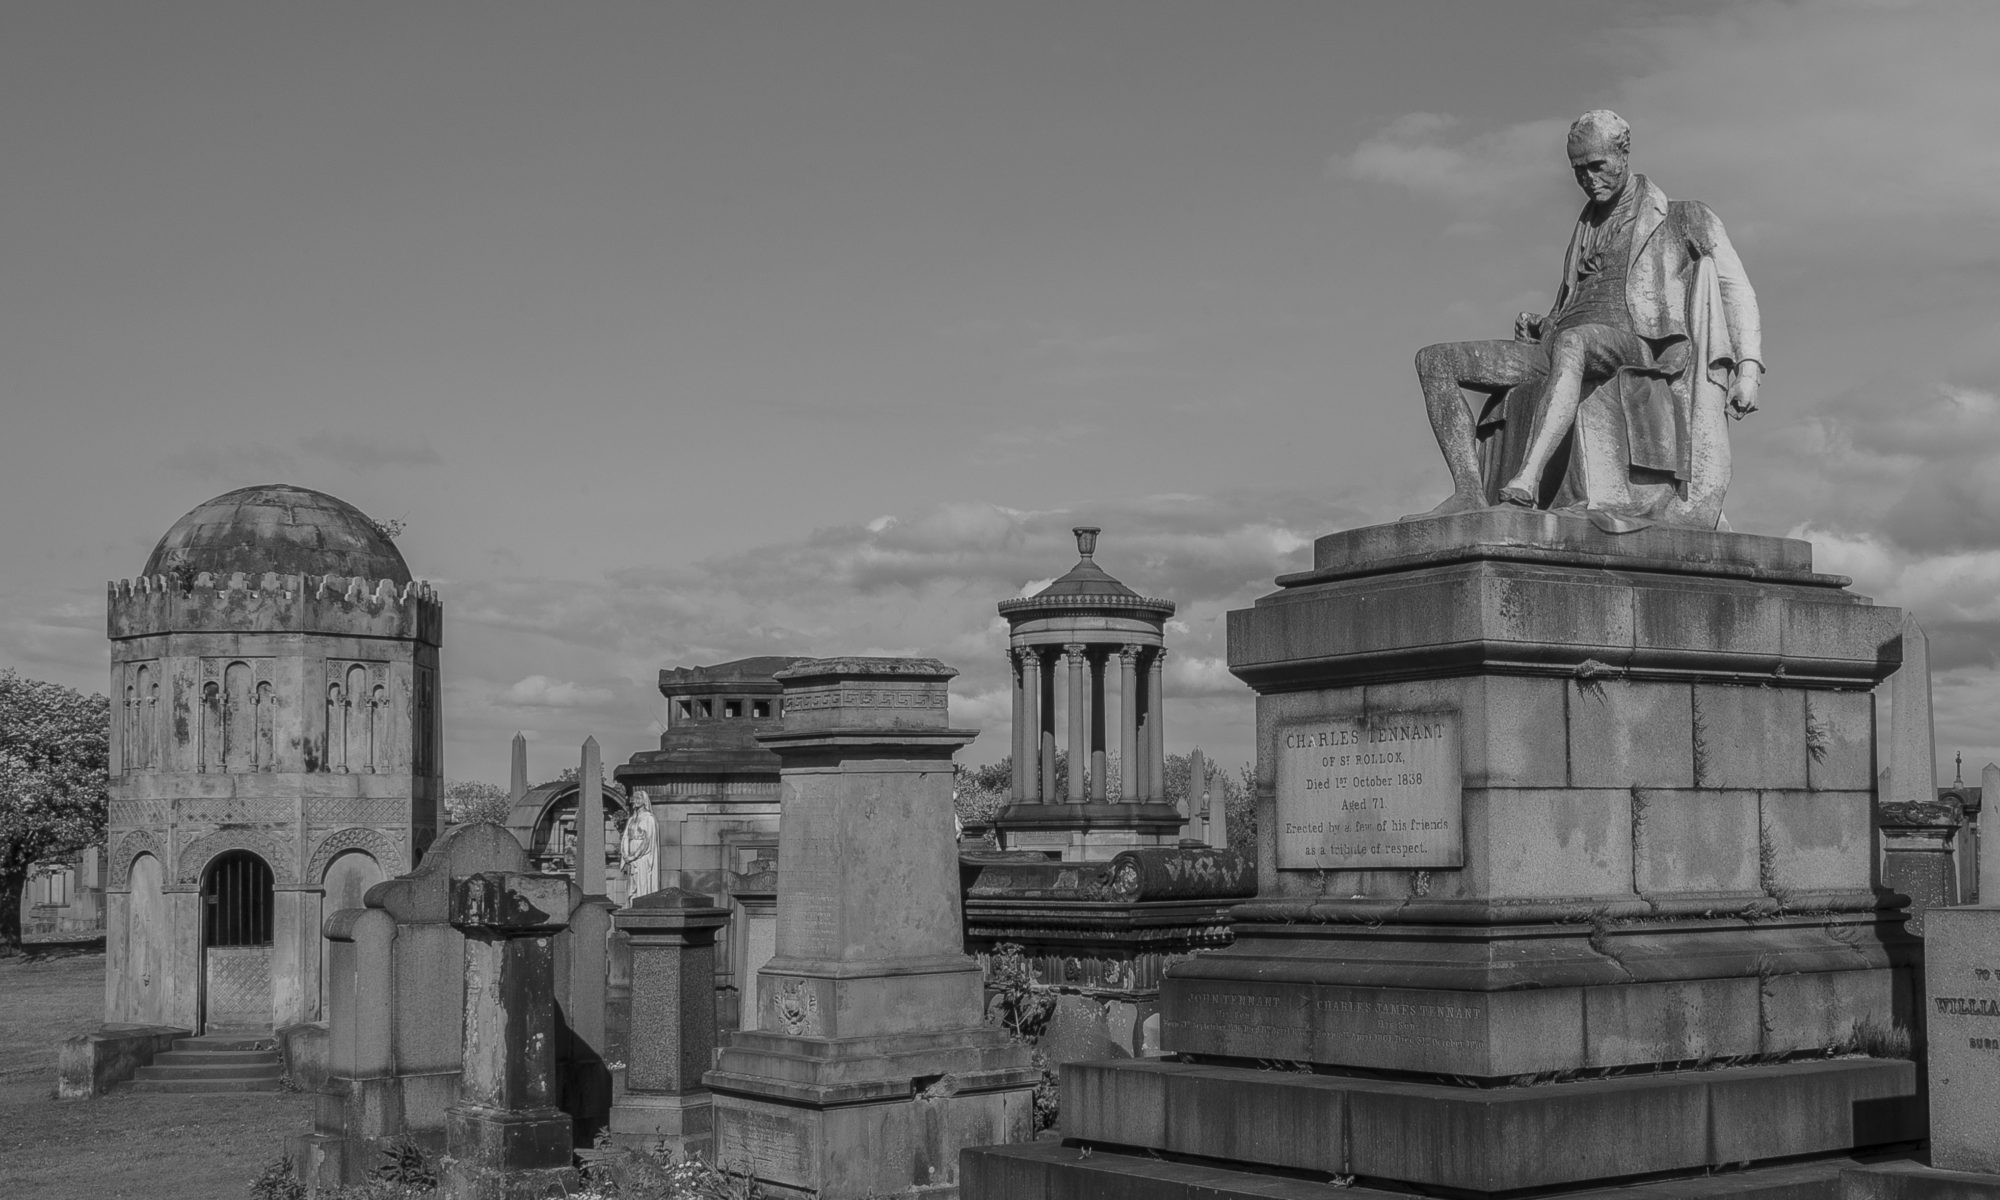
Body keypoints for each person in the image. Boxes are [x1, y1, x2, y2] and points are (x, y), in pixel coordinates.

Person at [1406, 110, 1762, 530]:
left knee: (1575, 341)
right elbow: (1576, 301)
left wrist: (1748, 370)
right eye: (1579, 171)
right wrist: (1545, 322)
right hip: (1561, 344)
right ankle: (1468, 491)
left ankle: (1526, 482)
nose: (1589, 179)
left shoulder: (1684, 216)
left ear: (1624, 153)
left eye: (1597, 166)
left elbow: (1734, 287)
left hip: (1637, 344)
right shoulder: (1586, 226)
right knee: (1435, 361)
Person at [620, 790, 659, 903]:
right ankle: (632, 906)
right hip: (631, 857)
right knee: (632, 885)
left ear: (644, 800)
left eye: (639, 798)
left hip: (642, 858)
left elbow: (647, 841)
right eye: (634, 798)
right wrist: (626, 855)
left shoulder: (649, 818)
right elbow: (626, 837)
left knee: (642, 883)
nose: (635, 801)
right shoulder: (632, 819)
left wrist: (634, 856)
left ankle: (642, 906)